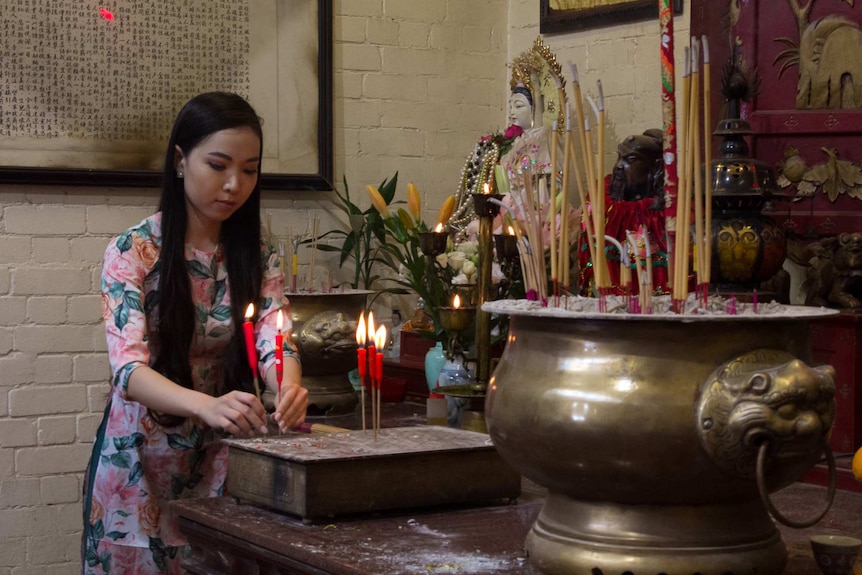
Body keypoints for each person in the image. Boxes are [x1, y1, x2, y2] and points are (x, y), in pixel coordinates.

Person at [81, 92, 307, 574]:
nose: (234, 185)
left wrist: (286, 384)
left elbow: (274, 333)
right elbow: (128, 370)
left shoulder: (254, 251)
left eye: (249, 170)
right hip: (141, 459)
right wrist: (204, 404)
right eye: (219, 165)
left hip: (222, 457)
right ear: (181, 161)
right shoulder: (133, 250)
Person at [578, 129, 670, 295]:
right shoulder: (605, 204)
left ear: (655, 166)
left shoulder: (663, 213)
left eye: (631, 159)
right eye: (619, 157)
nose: (619, 165)